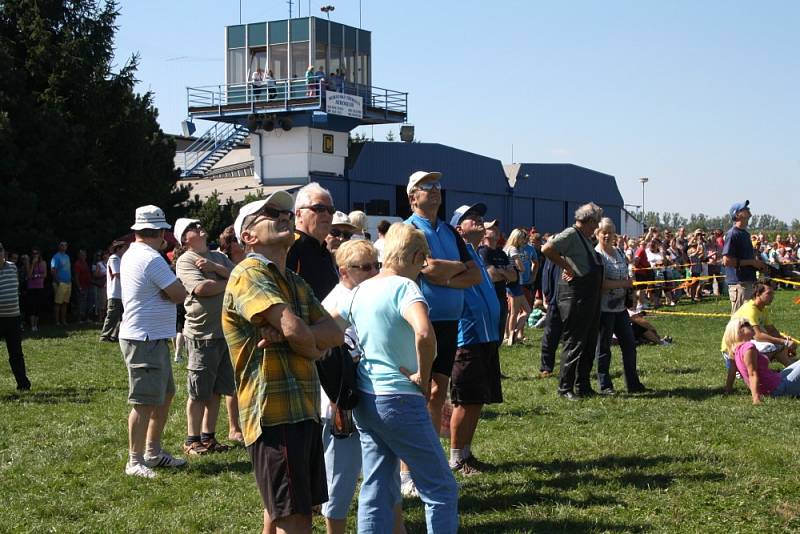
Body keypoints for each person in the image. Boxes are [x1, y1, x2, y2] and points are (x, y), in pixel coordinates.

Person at [223, 192, 343, 534]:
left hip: (300, 408)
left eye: (287, 212)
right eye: (271, 213)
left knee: (286, 512)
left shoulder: (292, 280)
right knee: (295, 519)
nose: (285, 216)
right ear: (247, 236)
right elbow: (300, 332)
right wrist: (307, 342)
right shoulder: (249, 273)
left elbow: (334, 332)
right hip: (273, 413)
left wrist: (299, 336)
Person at [333, 222, 459, 534]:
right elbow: (424, 332)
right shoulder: (406, 288)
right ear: (417, 256)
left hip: (366, 399)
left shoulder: (360, 288)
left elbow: (330, 327)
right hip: (400, 399)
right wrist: (424, 375)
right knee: (441, 488)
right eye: (424, 261)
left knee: (376, 487)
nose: (423, 268)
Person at [403, 170, 481, 496]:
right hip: (420, 322)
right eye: (426, 187)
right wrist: (450, 271)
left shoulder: (449, 230)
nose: (435, 191)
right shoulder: (408, 231)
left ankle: (430, 462)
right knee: (415, 394)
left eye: (437, 186)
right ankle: (407, 470)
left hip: (450, 323)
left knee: (438, 392)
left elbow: (474, 273)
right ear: (413, 197)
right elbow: (426, 269)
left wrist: (445, 275)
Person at [320, 240, 405, 534]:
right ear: (344, 271)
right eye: (365, 267)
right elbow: (326, 362)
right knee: (340, 481)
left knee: (387, 473)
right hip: (341, 403)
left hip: (375, 397)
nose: (373, 272)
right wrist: (337, 403)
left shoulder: (370, 297)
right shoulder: (333, 305)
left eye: (376, 266)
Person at [119, 205, 188, 478]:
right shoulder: (152, 258)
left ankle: (153, 452)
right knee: (145, 400)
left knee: (165, 393)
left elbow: (171, 293)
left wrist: (169, 292)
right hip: (144, 337)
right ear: (159, 232)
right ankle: (135, 460)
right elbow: (180, 293)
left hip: (151, 336)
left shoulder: (133, 253)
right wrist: (171, 291)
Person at [173, 218, 237, 456]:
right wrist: (227, 280)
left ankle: (208, 437)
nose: (199, 228)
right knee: (199, 390)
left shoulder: (219, 258)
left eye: (199, 225)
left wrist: (218, 271)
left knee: (217, 389)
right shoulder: (186, 260)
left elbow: (240, 276)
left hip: (225, 332)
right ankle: (192, 440)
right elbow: (202, 289)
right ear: (184, 239)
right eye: (192, 228)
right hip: (203, 333)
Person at [449, 204, 503, 476]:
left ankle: (466, 453)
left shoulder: (474, 253)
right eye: (473, 218)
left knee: (477, 399)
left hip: (486, 336)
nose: (480, 221)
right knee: (464, 399)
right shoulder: (455, 252)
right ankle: (457, 458)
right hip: (467, 336)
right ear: (459, 227)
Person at [540, 202, 605, 400]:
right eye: (596, 222)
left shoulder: (584, 238)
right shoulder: (571, 233)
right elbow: (547, 248)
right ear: (589, 220)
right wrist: (566, 266)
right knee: (575, 341)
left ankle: (583, 384)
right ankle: (565, 388)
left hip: (590, 295)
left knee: (589, 341)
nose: (597, 227)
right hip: (576, 295)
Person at [594, 218, 648, 394]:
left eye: (611, 232)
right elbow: (600, 284)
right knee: (604, 348)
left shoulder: (618, 251)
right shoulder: (597, 255)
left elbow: (626, 276)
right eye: (604, 232)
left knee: (629, 345)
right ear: (598, 234)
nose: (608, 235)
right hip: (604, 309)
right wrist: (623, 284)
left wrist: (629, 292)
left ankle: (633, 383)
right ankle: (605, 385)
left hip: (620, 308)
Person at [721, 282, 797, 393]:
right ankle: (743, 369)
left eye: (773, 294)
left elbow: (772, 330)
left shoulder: (763, 309)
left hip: (743, 346)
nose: (772, 297)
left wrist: (787, 342)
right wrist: (784, 343)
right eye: (769, 293)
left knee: (778, 346)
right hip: (731, 350)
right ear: (757, 294)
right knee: (772, 346)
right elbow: (758, 336)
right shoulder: (750, 309)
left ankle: (792, 368)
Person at [722, 317, 800, 404]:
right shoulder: (749, 348)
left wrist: (727, 391)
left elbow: (732, 372)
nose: (751, 325)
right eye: (747, 324)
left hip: (774, 382)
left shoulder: (735, 350)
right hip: (777, 389)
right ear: (739, 331)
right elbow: (752, 374)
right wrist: (756, 399)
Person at [287, 182, 338, 301]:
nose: (326, 214)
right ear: (299, 214)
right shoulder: (290, 246)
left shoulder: (326, 252)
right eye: (319, 208)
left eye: (330, 210)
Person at [723, 200, 767, 313]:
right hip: (739, 285)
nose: (748, 209)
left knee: (749, 322)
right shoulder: (733, 234)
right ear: (737, 215)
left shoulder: (746, 234)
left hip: (748, 282)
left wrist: (758, 263)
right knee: (739, 324)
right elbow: (727, 261)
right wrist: (752, 263)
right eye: (744, 208)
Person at [478, 222, 517, 344]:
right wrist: (504, 272)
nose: (496, 229)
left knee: (498, 338)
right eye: (491, 228)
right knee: (488, 339)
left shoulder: (502, 253)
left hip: (501, 298)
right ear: (484, 233)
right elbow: (491, 276)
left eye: (496, 227)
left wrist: (500, 271)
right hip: (488, 299)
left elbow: (514, 277)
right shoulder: (482, 252)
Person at [0, 242, 31, 391]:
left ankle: (23, 384)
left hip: (13, 318)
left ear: (3, 253)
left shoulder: (12, 267)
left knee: (16, 353)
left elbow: (16, 286)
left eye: (0, 253)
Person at [503, 229, 531, 346]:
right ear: (517, 238)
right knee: (516, 312)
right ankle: (511, 336)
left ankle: (509, 334)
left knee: (524, 310)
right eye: (521, 238)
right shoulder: (513, 249)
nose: (523, 240)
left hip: (510, 283)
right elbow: (520, 266)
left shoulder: (506, 248)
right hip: (515, 284)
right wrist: (523, 268)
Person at [538, 255, 563, 378]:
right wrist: (546, 297)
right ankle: (546, 367)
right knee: (550, 336)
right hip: (555, 301)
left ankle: (568, 367)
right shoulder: (553, 256)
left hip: (572, 302)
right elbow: (546, 277)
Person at [99, 241, 127, 342]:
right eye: (124, 248)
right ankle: (105, 336)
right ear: (118, 249)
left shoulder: (120, 259)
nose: (126, 250)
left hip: (121, 293)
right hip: (115, 292)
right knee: (112, 315)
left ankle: (115, 335)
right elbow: (117, 274)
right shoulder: (114, 258)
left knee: (122, 316)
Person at [50, 240, 71, 326]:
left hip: (68, 283)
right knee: (58, 303)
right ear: (59, 246)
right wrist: (57, 281)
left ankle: (64, 321)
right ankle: (57, 322)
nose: (63, 247)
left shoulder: (67, 256)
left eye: (65, 245)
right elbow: (53, 270)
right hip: (60, 283)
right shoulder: (56, 257)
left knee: (65, 303)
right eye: (62, 245)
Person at [26, 248, 47, 332]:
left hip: (40, 287)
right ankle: (32, 326)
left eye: (37, 253)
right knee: (32, 306)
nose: (35, 255)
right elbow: (29, 275)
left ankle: (36, 325)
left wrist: (36, 276)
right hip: (31, 287)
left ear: (39, 254)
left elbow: (45, 274)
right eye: (33, 253)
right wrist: (33, 264)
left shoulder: (43, 262)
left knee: (38, 306)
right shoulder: (29, 262)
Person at [72, 249, 91, 323]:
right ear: (79, 256)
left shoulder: (85, 263)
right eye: (82, 255)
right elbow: (76, 277)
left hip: (87, 285)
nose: (84, 256)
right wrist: (79, 288)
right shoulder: (77, 264)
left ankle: (85, 318)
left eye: (85, 255)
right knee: (80, 303)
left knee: (86, 302)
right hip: (81, 286)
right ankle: (79, 319)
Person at [92, 249, 108, 323]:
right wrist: (104, 274)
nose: (106, 256)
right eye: (104, 255)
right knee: (102, 303)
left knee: (108, 303)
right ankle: (100, 319)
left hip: (110, 286)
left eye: (107, 254)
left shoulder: (110, 263)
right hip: (102, 286)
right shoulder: (99, 264)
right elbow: (95, 275)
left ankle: (106, 318)